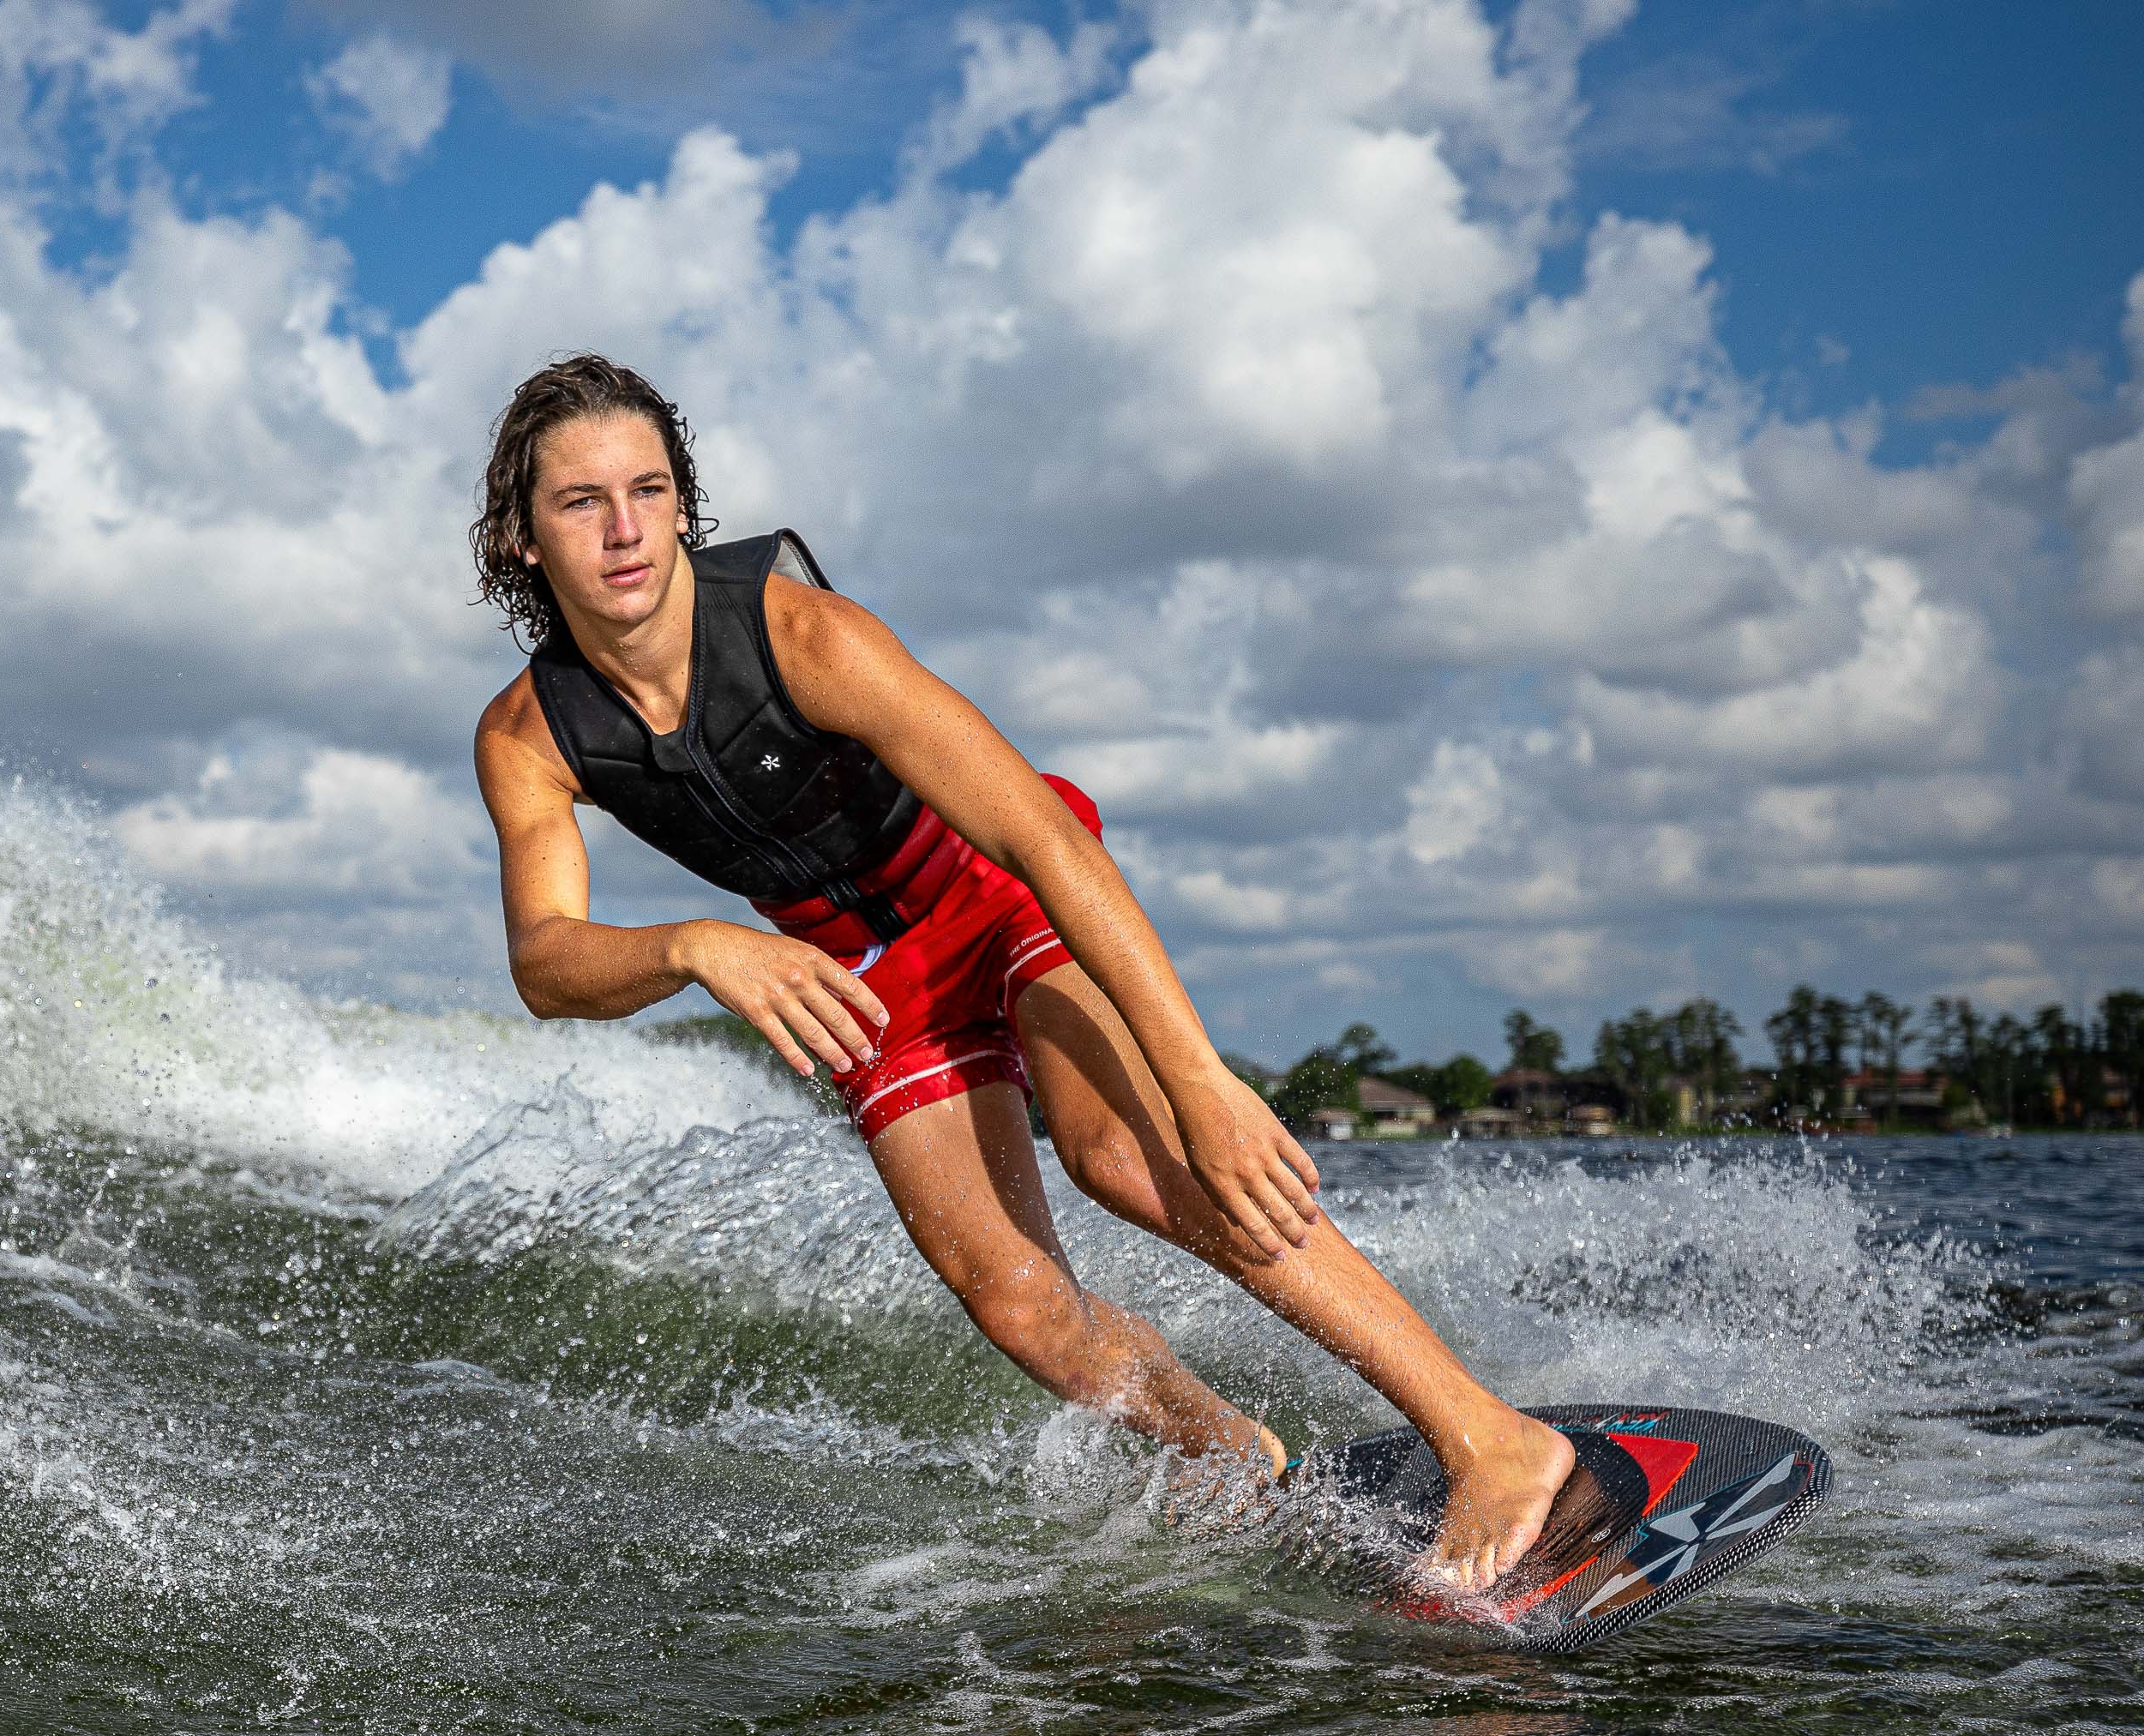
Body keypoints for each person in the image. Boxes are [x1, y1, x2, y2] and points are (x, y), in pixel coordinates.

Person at [465, 355, 1576, 1590]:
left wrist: (1198, 1078)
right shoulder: (529, 736)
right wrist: (692, 945)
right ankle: (1226, 1445)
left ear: (684, 499)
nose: (625, 529)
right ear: (521, 536)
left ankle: (1492, 1436)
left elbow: (1039, 839)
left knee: (1125, 1155)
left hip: (994, 887)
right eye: (580, 501)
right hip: (866, 973)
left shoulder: (803, 635)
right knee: (1018, 1304)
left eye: (649, 488)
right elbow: (547, 963)